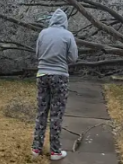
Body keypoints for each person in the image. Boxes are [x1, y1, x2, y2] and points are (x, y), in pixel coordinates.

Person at [31, 8, 79, 161]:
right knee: (56, 114)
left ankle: (36, 148)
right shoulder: (68, 35)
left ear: (52, 20)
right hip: (60, 77)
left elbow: (38, 54)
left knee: (42, 112)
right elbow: (73, 58)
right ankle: (55, 151)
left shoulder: (43, 33)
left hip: (42, 75)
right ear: (65, 21)